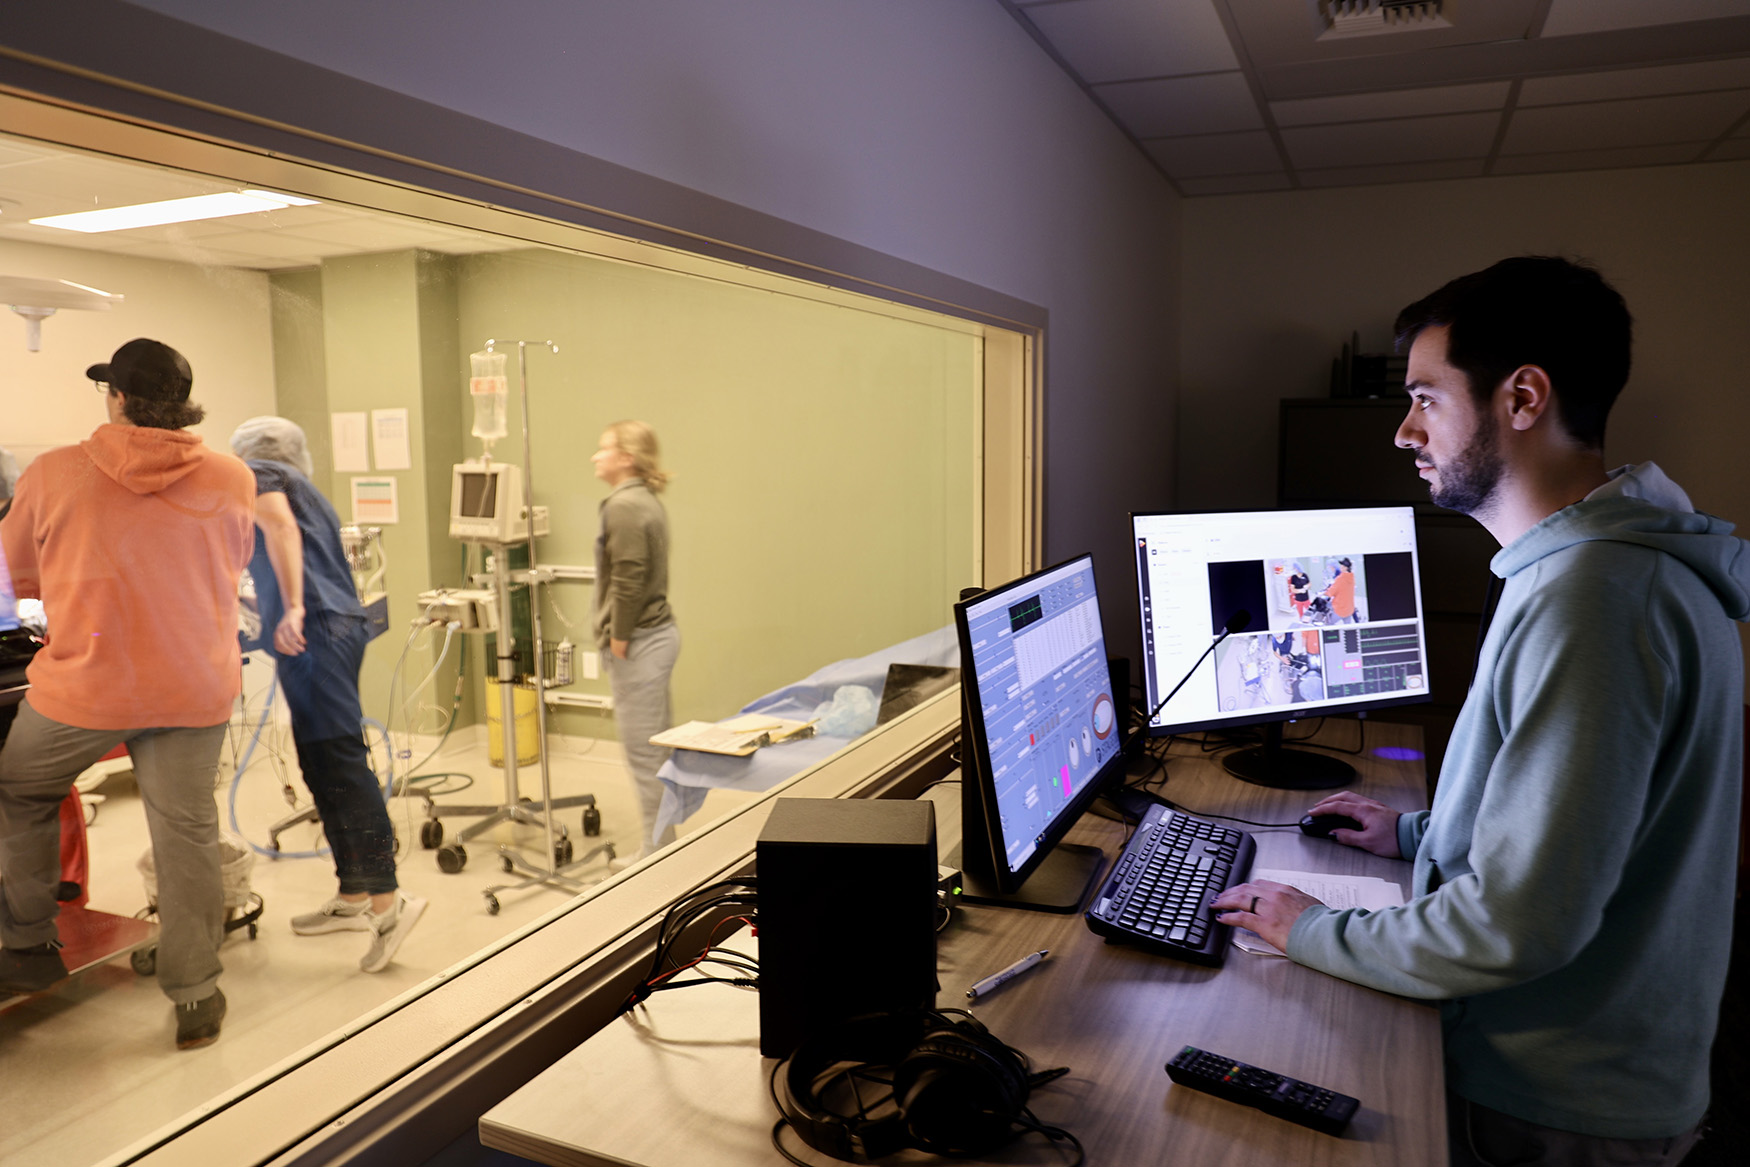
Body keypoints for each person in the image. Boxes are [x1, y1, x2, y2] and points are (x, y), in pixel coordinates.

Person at [1213, 257, 1748, 1166]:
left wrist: (1308, 928)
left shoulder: (1596, 598)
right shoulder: (1595, 568)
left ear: (1523, 397)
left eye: (1425, 397)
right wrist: (1421, 831)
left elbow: (1518, 922)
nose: (1402, 431)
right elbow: (1594, 825)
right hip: (1591, 1061)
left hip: (1559, 1095)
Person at [0, 339, 255, 1049]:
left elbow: (16, 578)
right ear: (183, 404)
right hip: (193, 687)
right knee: (186, 831)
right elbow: (228, 562)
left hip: (88, 687)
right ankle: (197, 991)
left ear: (114, 396)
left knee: (21, 788)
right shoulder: (232, 477)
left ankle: (24, 945)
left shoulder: (52, 472)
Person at [229, 417, 426, 971]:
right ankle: (354, 893)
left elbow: (279, 531)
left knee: (339, 763)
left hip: (315, 628)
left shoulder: (259, 471)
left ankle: (390, 903)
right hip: (327, 627)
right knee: (319, 762)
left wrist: (289, 607)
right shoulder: (304, 485)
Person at [590, 421, 681, 860]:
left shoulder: (624, 505)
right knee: (656, 755)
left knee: (645, 758)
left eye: (603, 448)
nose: (596, 456)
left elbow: (628, 578)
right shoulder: (644, 499)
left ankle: (657, 856)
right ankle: (661, 845)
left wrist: (619, 637)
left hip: (640, 642)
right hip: (656, 637)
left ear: (626, 457)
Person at [1321, 557, 1359, 623]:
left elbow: (1331, 592)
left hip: (1340, 609)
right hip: (1349, 608)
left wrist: (1324, 593)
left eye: (1342, 565)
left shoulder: (1340, 578)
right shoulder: (1352, 577)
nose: (1340, 566)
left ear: (1346, 567)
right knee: (1347, 628)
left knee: (1329, 624)